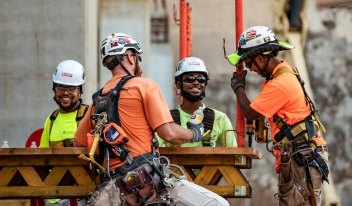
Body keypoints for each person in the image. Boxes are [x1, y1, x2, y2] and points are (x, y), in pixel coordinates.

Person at [74, 32, 229, 206]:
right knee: (217, 204)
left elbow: (78, 143)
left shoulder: (98, 99)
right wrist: (195, 132)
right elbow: (169, 134)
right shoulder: (144, 86)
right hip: (146, 180)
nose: (139, 62)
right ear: (130, 57)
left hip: (113, 189)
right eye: (137, 57)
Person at [228, 25, 329, 206]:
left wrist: (238, 87)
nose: (251, 69)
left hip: (302, 158)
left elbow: (249, 113)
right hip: (300, 155)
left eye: (250, 64)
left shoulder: (280, 83)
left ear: (260, 58)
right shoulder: (283, 74)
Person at [158, 56, 237, 148]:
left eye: (201, 79)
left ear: (205, 84)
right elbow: (154, 152)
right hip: (174, 163)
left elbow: (233, 155)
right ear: (178, 83)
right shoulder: (166, 119)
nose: (196, 82)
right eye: (190, 79)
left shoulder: (220, 118)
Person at [39, 60, 88, 206]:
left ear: (79, 91)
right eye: (60, 88)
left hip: (84, 196)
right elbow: (40, 157)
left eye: (71, 88)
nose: (65, 93)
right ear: (54, 90)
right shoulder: (51, 119)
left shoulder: (88, 116)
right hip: (56, 197)